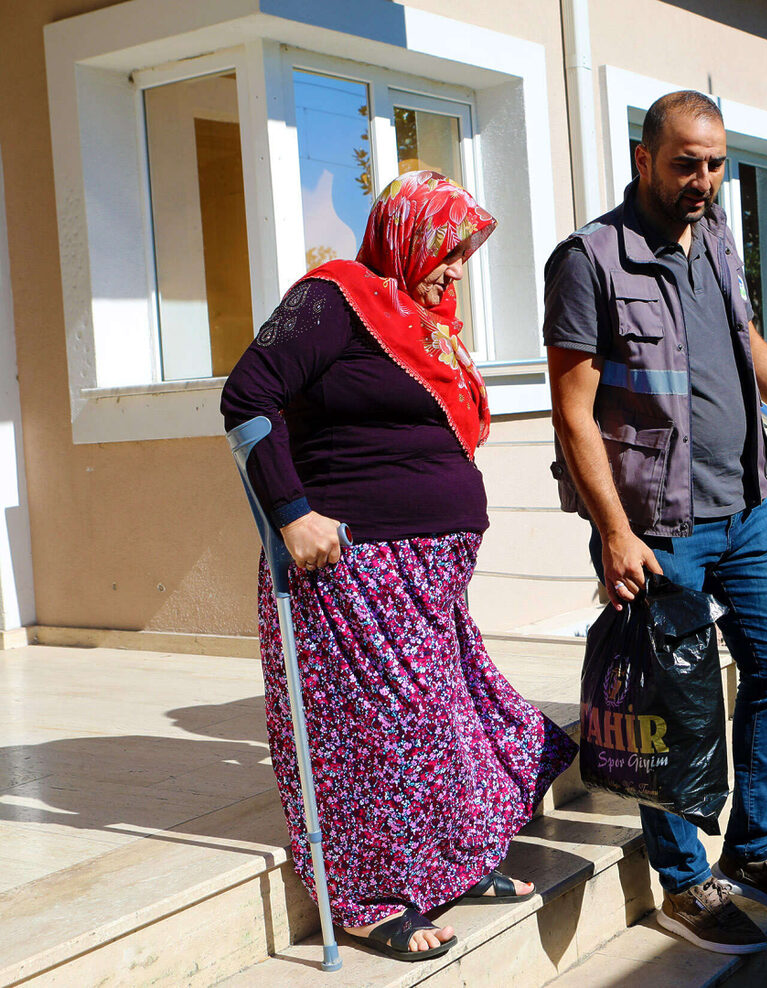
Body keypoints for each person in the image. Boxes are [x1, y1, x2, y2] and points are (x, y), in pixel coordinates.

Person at [221, 171, 577, 963]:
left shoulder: (418, 321)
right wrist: (290, 513)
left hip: (427, 574)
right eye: (447, 250)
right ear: (406, 233)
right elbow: (248, 395)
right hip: (352, 567)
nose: (457, 271)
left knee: (450, 723)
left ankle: (449, 866)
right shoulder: (334, 297)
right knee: (378, 738)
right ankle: (367, 898)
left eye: (465, 255)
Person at [544, 91, 767, 955]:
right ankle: (684, 880)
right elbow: (572, 413)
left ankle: (754, 848)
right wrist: (611, 531)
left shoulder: (715, 235)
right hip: (654, 523)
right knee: (667, 701)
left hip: (743, 503)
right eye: (687, 163)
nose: (704, 180)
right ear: (644, 159)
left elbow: (746, 340)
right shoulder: (590, 260)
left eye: (715, 164)